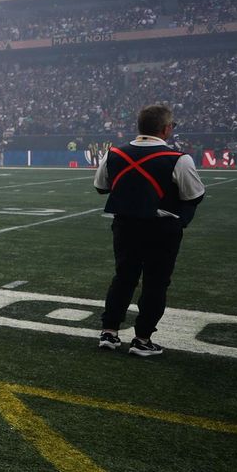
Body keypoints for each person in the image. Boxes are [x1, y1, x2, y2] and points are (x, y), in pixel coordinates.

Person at [95, 104, 205, 357]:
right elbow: (194, 195)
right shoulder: (179, 158)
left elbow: (101, 187)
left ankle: (109, 332)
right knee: (155, 284)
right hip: (162, 228)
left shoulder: (113, 154)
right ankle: (142, 339)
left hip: (125, 225)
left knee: (123, 278)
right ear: (166, 129)